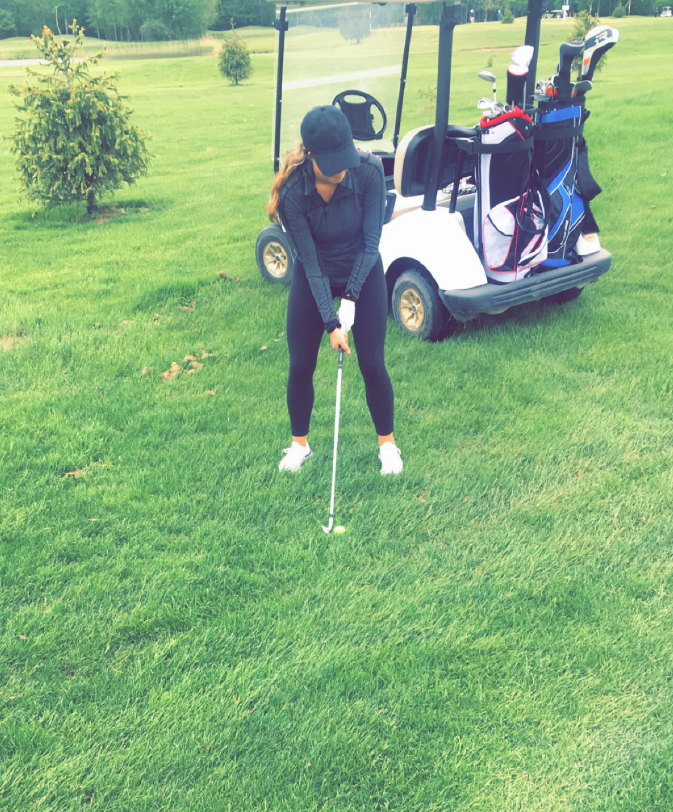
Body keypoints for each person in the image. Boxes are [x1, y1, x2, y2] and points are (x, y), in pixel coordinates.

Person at [265, 105, 403, 476]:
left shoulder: (369, 172)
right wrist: (331, 321)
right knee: (300, 365)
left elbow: (371, 241)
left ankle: (387, 444)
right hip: (316, 277)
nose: (343, 168)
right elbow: (309, 262)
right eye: (333, 162)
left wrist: (352, 298)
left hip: (364, 270)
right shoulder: (293, 192)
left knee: (373, 363)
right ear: (310, 155)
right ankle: (300, 446)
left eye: (345, 157)